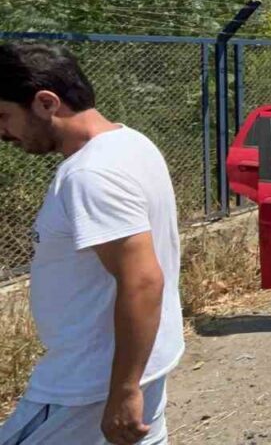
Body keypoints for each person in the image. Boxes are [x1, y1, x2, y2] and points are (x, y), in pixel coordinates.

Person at [0, 43, 183, 445]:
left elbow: (143, 281)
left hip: (88, 384)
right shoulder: (132, 142)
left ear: (46, 103)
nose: (2, 132)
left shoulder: (90, 174)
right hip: (138, 363)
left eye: (4, 116)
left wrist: (124, 390)